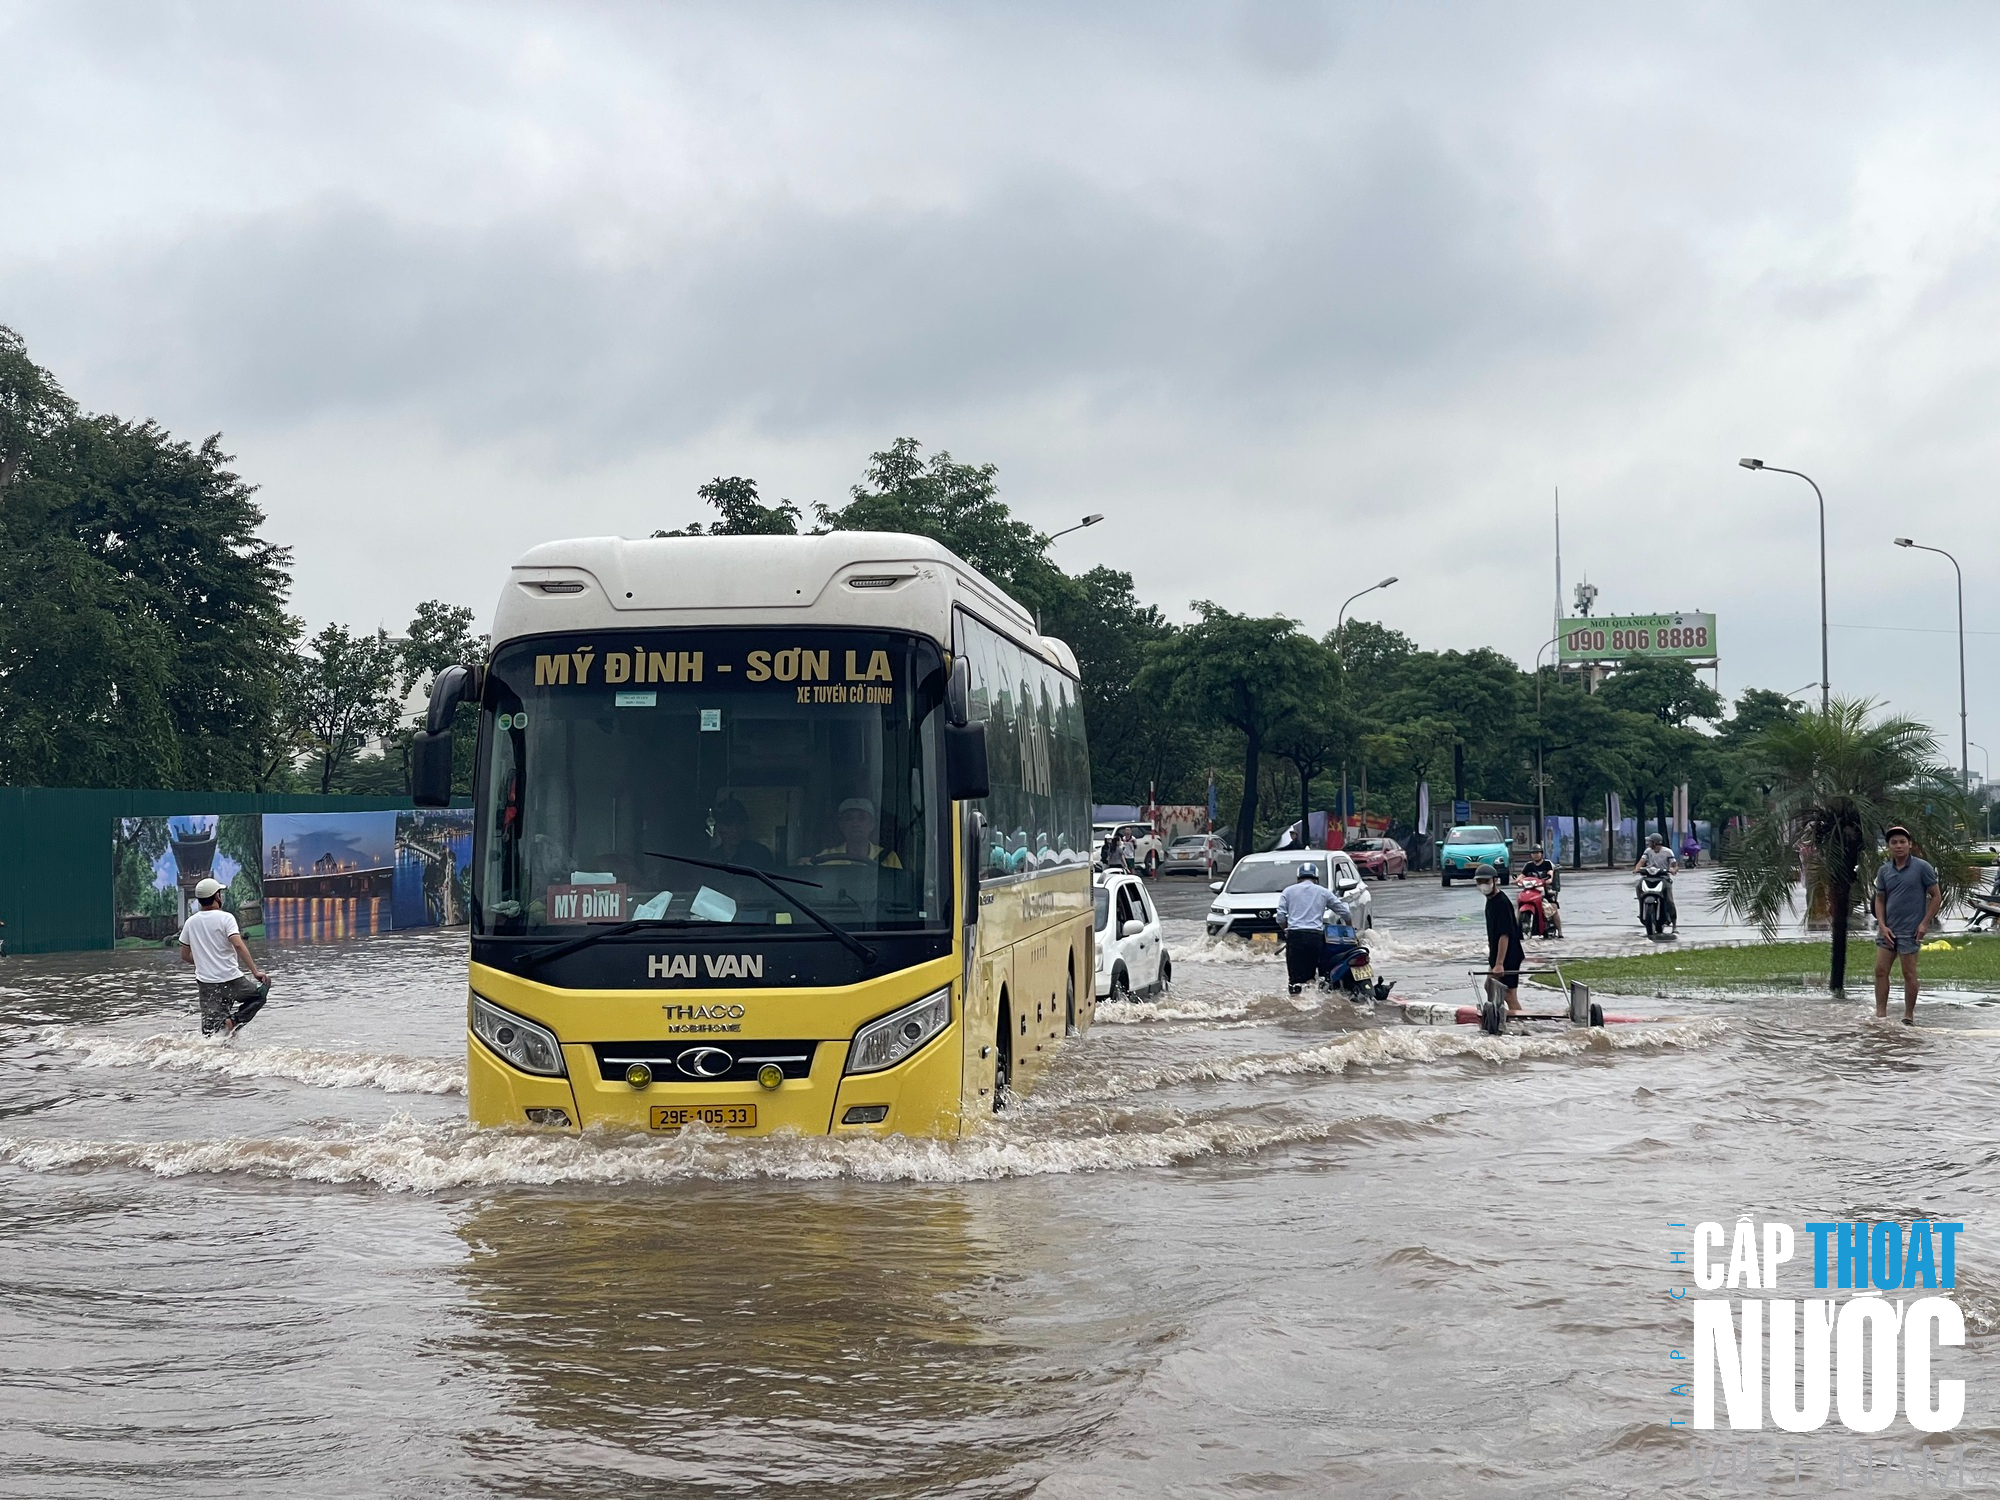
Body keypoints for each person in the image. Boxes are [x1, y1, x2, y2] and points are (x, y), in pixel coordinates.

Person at [177, 877, 271, 1036]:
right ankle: (234, 1021)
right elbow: (238, 945)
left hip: (207, 984)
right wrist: (255, 972)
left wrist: (204, 962)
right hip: (232, 980)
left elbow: (185, 955)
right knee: (259, 996)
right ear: (217, 896)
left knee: (210, 1033)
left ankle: (223, 1033)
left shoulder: (190, 922)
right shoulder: (226, 918)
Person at [1873, 824, 1942, 1024]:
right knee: (1880, 971)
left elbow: (1936, 896)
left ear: (1910, 844)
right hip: (1888, 930)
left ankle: (1908, 1015)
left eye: (1902, 842)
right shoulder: (1884, 871)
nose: (1899, 846)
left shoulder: (1922, 867)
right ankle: (1880, 1015)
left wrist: (1924, 923)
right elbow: (1880, 899)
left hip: (1910, 931)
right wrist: (1882, 925)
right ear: (1888, 846)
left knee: (1909, 973)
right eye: (1894, 842)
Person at [1275, 861, 1339, 995]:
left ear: (1298, 878)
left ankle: (1296, 999)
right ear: (1316, 878)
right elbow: (1345, 911)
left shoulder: (1288, 891)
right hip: (1315, 937)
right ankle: (1314, 999)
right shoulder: (1323, 892)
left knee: (1295, 978)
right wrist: (1350, 925)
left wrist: (1286, 929)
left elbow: (1280, 917)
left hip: (1295, 936)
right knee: (1312, 975)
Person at [802, 797, 903, 868]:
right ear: (841, 825)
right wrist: (802, 863)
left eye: (861, 818)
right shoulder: (826, 858)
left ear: (872, 825)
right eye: (849, 818)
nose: (855, 823)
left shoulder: (888, 858)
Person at [1479, 863, 1524, 1014]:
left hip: (1509, 955)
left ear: (1495, 880)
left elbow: (1504, 935)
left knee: (1509, 994)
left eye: (1486, 881)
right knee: (1490, 985)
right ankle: (1497, 1015)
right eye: (1479, 881)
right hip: (1498, 954)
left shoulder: (1502, 902)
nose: (1483, 885)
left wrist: (1499, 963)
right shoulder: (1491, 900)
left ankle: (1522, 1021)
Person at [710, 798, 774, 870]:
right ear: (718, 827)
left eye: (740, 824)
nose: (736, 830)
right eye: (729, 824)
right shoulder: (711, 858)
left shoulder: (760, 854)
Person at [1634, 833, 1679, 928]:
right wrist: (1637, 869)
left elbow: (1674, 865)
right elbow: (1641, 861)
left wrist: (1673, 870)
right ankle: (1641, 901)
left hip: (1663, 877)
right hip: (1649, 876)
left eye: (1650, 841)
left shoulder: (1668, 852)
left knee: (1669, 900)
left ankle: (1673, 921)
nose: (1648, 843)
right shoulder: (1648, 851)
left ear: (1655, 842)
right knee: (1638, 886)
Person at [1519, 844, 1562, 938]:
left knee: (1553, 908)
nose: (1535, 855)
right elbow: (1521, 876)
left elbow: (1550, 875)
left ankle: (1560, 931)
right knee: (1519, 905)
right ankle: (1517, 929)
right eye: (1533, 853)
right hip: (1531, 891)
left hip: (1546, 891)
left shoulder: (1547, 863)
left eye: (1537, 852)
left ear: (1541, 853)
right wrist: (1516, 881)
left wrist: (1548, 879)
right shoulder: (1528, 865)